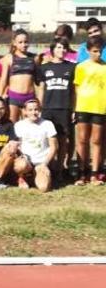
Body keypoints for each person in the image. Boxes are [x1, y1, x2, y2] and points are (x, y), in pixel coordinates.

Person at [35, 38, 74, 178]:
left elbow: (73, 91)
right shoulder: (44, 67)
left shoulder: (71, 67)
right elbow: (41, 89)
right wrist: (39, 107)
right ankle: (48, 166)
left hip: (64, 108)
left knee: (63, 140)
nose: (61, 50)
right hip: (47, 109)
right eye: (58, 47)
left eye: (64, 48)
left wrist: (73, 109)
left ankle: (60, 170)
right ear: (52, 50)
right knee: (47, 140)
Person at [73, 37, 106, 185]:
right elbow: (76, 88)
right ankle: (82, 173)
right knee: (82, 140)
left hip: (100, 107)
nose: (98, 54)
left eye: (100, 51)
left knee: (97, 141)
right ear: (87, 51)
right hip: (83, 107)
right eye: (95, 51)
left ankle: (94, 173)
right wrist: (75, 108)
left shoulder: (105, 67)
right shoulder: (81, 67)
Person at [13, 99, 56, 192]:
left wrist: (45, 164)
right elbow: (17, 145)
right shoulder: (19, 125)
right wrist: (22, 157)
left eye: (36, 109)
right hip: (26, 161)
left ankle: (35, 176)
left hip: (41, 162)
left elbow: (54, 147)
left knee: (44, 188)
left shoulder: (48, 124)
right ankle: (22, 176)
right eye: (30, 110)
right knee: (21, 165)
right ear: (25, 111)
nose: (34, 112)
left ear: (40, 110)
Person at [0, 29, 37, 122]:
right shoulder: (9, 57)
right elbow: (3, 79)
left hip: (30, 97)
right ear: (14, 43)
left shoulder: (34, 58)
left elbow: (37, 81)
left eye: (26, 42)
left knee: (29, 126)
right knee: (13, 125)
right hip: (14, 97)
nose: (23, 44)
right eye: (20, 42)